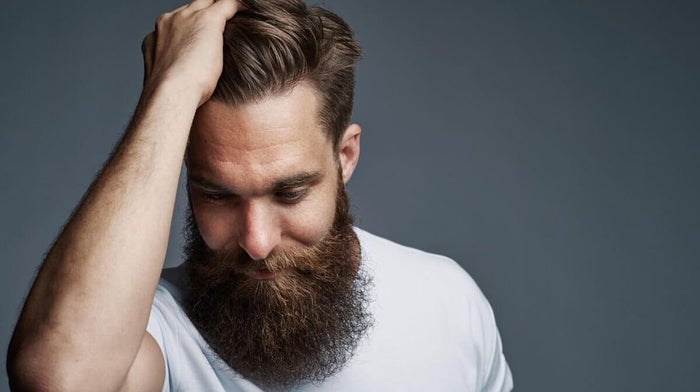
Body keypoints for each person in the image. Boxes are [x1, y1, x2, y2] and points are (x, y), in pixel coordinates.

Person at [7, 0, 513, 390]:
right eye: (218, 195)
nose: (256, 241)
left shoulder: (449, 302)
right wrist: (172, 90)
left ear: (346, 157)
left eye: (290, 192)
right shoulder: (152, 332)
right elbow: (61, 379)